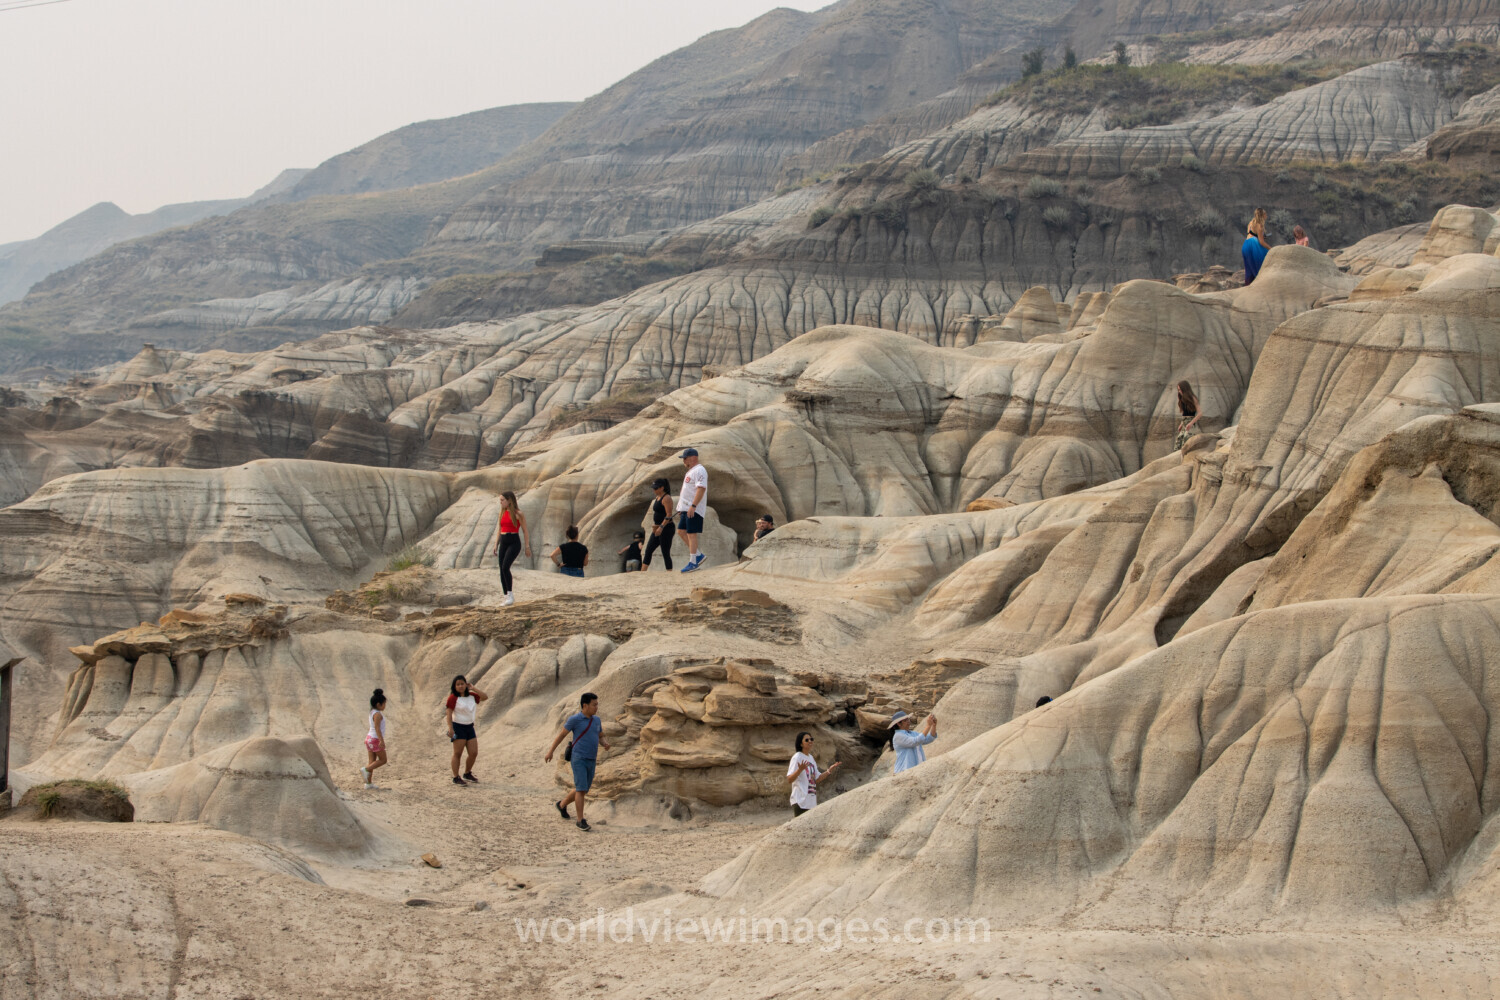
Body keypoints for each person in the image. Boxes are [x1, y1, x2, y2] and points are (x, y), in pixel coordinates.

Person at [545, 692, 612, 832]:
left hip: (591, 758)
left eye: (597, 704)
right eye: (594, 705)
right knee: (581, 789)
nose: (596, 707)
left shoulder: (596, 720)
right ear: (585, 705)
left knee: (583, 789)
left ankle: (562, 805)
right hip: (578, 758)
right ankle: (580, 820)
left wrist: (605, 743)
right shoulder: (575, 719)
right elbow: (561, 735)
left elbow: (600, 736)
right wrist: (550, 751)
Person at [490, 491, 531, 607]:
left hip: (514, 541)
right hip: (503, 541)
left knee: (505, 567)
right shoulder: (502, 513)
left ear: (509, 500)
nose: (501, 502)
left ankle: (511, 595)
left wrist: (527, 546)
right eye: (500, 500)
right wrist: (495, 544)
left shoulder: (518, 514)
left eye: (502, 500)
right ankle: (506, 596)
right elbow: (499, 529)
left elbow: (525, 530)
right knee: (501, 569)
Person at [445, 675, 488, 786]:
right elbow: (449, 713)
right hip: (458, 727)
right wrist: (451, 728)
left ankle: (467, 773)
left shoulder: (472, 696)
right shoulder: (453, 697)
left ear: (466, 684)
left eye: (462, 684)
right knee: (458, 753)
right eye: (458, 684)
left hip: (469, 727)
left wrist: (473, 688)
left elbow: (485, 697)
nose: (460, 686)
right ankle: (456, 777)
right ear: (454, 686)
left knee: (473, 753)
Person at [786, 731, 840, 816]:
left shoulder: (811, 758)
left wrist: (828, 771)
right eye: (807, 740)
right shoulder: (797, 757)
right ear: (801, 744)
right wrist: (799, 770)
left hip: (811, 802)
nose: (810, 741)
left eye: (811, 739)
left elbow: (817, 779)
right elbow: (789, 779)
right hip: (800, 801)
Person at [677, 448, 708, 573]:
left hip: (693, 508)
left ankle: (693, 562)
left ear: (692, 457)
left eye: (685, 458)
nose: (683, 461)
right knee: (681, 531)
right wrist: (681, 507)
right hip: (686, 508)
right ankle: (698, 555)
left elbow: (701, 489)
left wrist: (693, 506)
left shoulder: (700, 470)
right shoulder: (691, 471)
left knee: (691, 533)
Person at [642, 478, 676, 571]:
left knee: (665, 552)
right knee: (648, 550)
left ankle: (669, 572)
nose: (654, 490)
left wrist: (661, 527)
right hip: (657, 528)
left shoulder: (666, 498)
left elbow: (669, 514)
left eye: (656, 488)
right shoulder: (657, 498)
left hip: (666, 528)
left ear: (662, 488)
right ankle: (642, 572)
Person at [890, 710, 937, 774]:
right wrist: (928, 726)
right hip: (904, 771)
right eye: (905, 720)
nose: (908, 721)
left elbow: (928, 739)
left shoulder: (912, 733)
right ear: (899, 724)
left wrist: (933, 726)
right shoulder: (898, 736)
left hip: (917, 769)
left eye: (908, 719)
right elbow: (916, 741)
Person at [360, 688, 388, 789]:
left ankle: (368, 784)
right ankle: (366, 769)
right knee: (383, 760)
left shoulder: (372, 712)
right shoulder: (378, 715)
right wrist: (381, 740)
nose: (385, 706)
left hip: (369, 738)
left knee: (372, 761)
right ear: (378, 704)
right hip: (375, 739)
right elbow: (377, 728)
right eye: (384, 704)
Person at [1241, 208, 1270, 285]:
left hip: (1246, 245)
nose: (1266, 215)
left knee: (1249, 269)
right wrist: (1271, 248)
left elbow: (1250, 234)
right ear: (1262, 215)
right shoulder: (1260, 225)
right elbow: (1261, 242)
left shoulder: (1251, 223)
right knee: (1262, 263)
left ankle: (1248, 287)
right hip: (1254, 245)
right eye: (1265, 214)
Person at [1175, 380, 1201, 450]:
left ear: (1185, 388)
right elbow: (1184, 413)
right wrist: (1181, 424)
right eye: (1178, 390)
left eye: (1180, 389)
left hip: (1190, 423)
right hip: (1184, 423)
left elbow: (1200, 413)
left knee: (1186, 444)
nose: (1179, 391)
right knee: (1178, 445)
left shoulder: (1193, 398)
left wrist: (1191, 423)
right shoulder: (1181, 398)